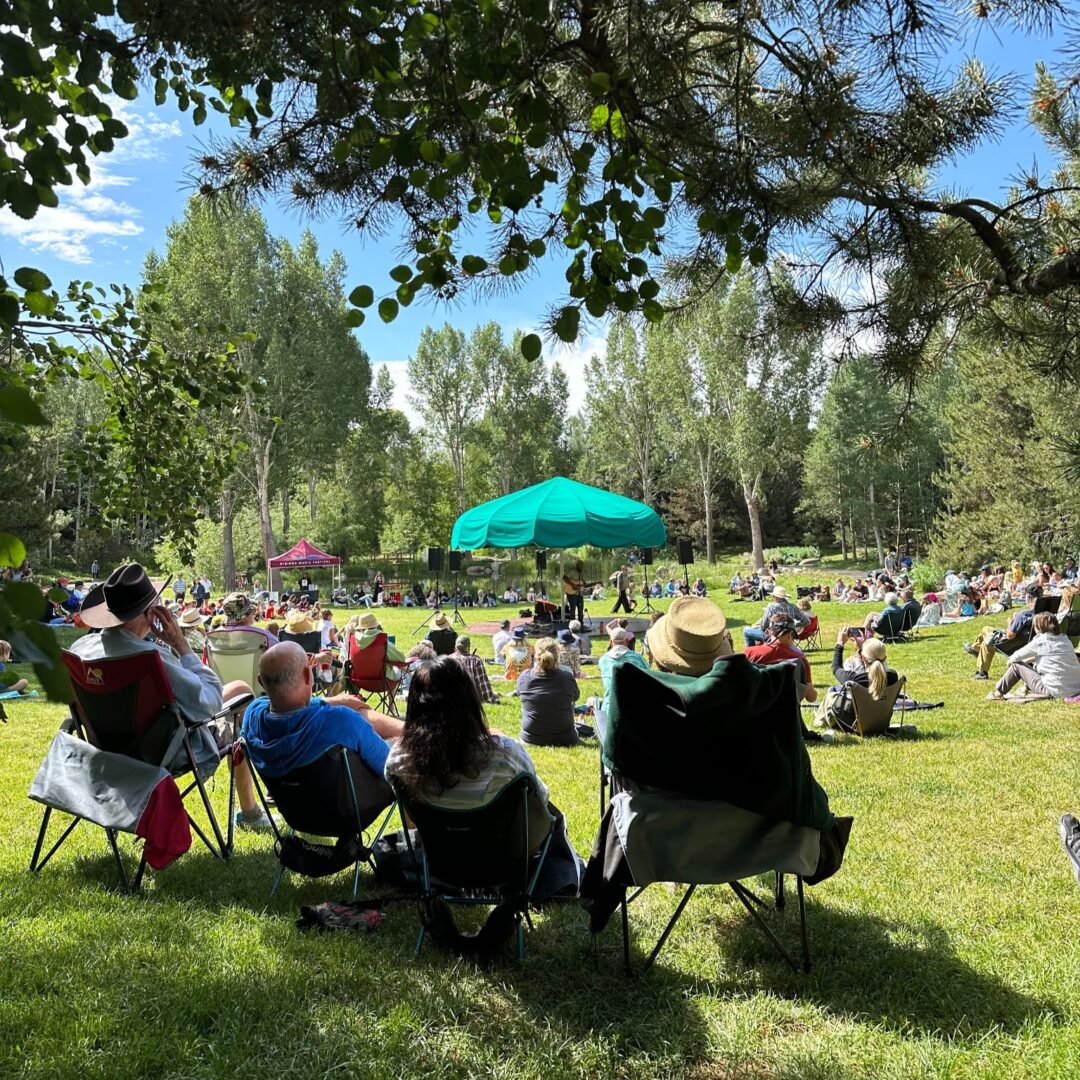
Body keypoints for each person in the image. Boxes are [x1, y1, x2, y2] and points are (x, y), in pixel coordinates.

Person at [72, 563, 270, 831]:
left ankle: (250, 813)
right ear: (151, 611)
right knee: (243, 693)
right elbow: (209, 703)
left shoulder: (80, 650)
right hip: (163, 753)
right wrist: (180, 644)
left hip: (106, 752)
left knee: (235, 690)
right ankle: (250, 813)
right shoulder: (151, 659)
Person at [384, 658, 552, 854]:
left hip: (437, 860)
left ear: (414, 705)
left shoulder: (399, 760)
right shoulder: (506, 755)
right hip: (503, 859)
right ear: (469, 701)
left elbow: (410, 817)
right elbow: (541, 800)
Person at [242, 642, 403, 782]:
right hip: (357, 805)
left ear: (261, 682)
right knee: (407, 744)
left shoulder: (252, 715)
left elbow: (289, 705)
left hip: (296, 807)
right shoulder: (341, 721)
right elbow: (389, 768)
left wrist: (338, 701)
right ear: (307, 675)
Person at [987, 612, 1080, 701]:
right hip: (1075, 689)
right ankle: (1023, 689)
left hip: (1054, 691)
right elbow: (1049, 656)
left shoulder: (1040, 641)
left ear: (1039, 627)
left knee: (1016, 666)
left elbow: (1015, 657)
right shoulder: (1065, 639)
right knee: (1034, 662)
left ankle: (998, 694)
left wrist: (1011, 662)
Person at [964, 583, 1043, 680]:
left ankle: (982, 672)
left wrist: (1010, 621)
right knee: (985, 629)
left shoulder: (1023, 615)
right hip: (1028, 642)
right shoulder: (1043, 613)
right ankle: (975, 649)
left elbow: (1010, 635)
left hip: (1012, 643)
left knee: (987, 641)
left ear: (1029, 596)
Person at [516, 637, 581, 746]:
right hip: (565, 738)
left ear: (536, 656)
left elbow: (519, 693)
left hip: (531, 738)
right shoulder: (567, 677)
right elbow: (576, 697)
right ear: (557, 655)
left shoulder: (525, 677)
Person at [744, 613, 817, 702]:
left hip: (756, 712)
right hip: (787, 714)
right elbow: (811, 698)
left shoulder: (748, 653)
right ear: (790, 635)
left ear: (769, 631)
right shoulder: (799, 659)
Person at [598, 625, 652, 711]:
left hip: (610, 707)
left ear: (611, 642)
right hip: (636, 705)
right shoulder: (637, 658)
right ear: (627, 641)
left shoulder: (603, 660)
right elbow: (651, 677)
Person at [346, 612, 407, 683]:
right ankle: (392, 694)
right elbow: (401, 658)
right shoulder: (381, 639)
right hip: (381, 681)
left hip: (359, 680)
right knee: (397, 670)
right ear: (375, 625)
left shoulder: (354, 640)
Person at [742, 585, 810, 646]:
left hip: (773, 636)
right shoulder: (793, 607)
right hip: (788, 636)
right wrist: (792, 625)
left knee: (746, 630)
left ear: (775, 597)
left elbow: (763, 626)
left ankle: (751, 655)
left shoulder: (771, 607)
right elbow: (807, 621)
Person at [448, 634, 500, 704]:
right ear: (468, 647)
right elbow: (482, 682)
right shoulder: (475, 660)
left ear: (456, 646)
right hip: (470, 697)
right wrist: (490, 698)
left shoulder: (448, 659)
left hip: (452, 697)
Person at [562, 559, 589, 623]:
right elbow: (564, 578)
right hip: (571, 594)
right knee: (572, 609)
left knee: (580, 609)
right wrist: (572, 584)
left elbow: (584, 583)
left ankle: (580, 623)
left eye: (582, 566)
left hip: (580, 594)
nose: (581, 567)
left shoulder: (582, 573)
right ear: (577, 566)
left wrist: (585, 584)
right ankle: (573, 624)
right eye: (580, 566)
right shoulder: (572, 571)